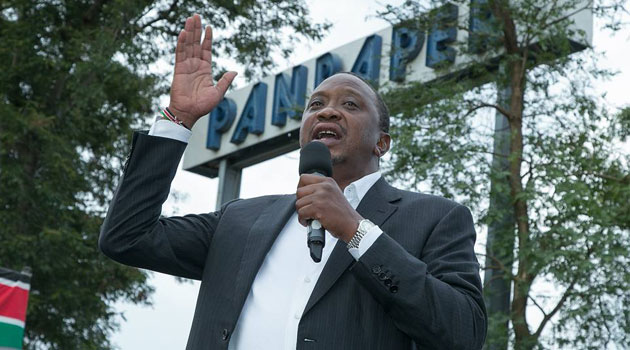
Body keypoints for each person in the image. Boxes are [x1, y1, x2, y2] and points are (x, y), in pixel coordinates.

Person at [99, 14, 487, 350]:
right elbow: (126, 236)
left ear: (382, 143)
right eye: (316, 105)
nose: (329, 110)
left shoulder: (436, 218)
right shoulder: (241, 220)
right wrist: (177, 120)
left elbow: (463, 332)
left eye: (350, 105)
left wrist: (355, 231)